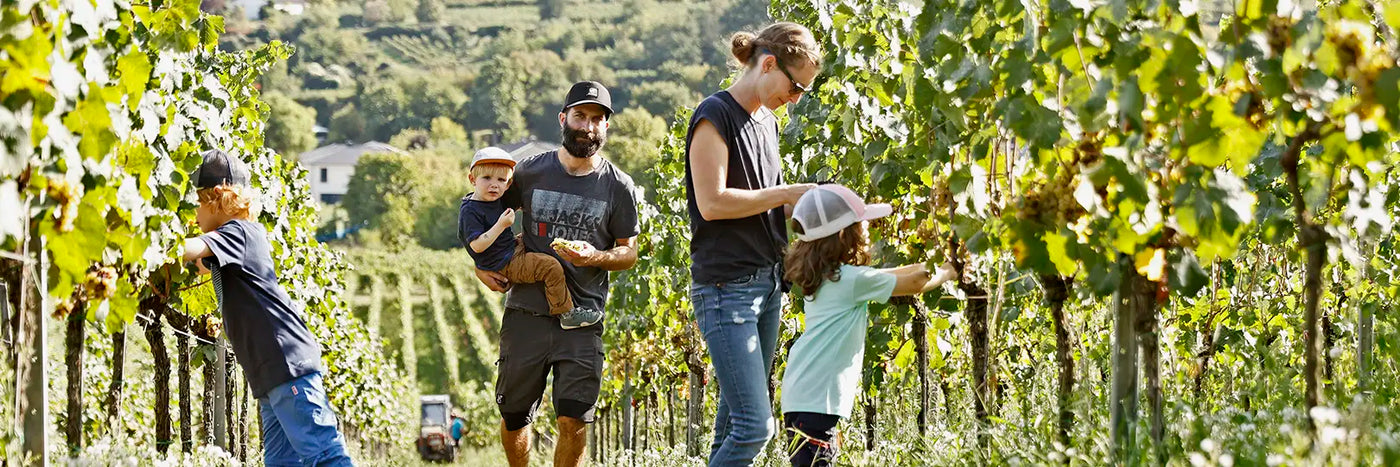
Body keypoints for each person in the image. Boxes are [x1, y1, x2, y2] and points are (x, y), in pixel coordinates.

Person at [472, 81, 641, 467]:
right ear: (563, 118)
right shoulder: (530, 172)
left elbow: (628, 251)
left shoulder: (618, 187)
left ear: (606, 127)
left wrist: (596, 256)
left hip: (582, 320)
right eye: (580, 116)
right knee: (514, 416)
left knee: (574, 419)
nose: (588, 126)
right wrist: (481, 266)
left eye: (597, 119)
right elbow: (484, 214)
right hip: (526, 314)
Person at [684, 22, 821, 466]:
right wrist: (785, 193)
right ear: (767, 64)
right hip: (727, 290)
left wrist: (823, 204)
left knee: (731, 425)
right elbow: (712, 202)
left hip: (767, 285)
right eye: (796, 85)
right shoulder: (714, 115)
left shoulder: (767, 123)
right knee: (754, 427)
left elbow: (765, 205)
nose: (797, 98)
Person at [181, 150, 354, 467]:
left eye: (196, 202)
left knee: (324, 454)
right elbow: (200, 265)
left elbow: (191, 249)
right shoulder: (232, 243)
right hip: (269, 372)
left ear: (216, 196)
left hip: (286, 364)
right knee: (281, 462)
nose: (193, 214)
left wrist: (150, 238)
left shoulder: (240, 233)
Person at [778, 185, 957, 466]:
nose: (867, 231)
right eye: (861, 225)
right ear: (841, 234)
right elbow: (915, 283)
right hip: (816, 401)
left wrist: (936, 261)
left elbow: (892, 274)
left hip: (804, 397)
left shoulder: (829, 277)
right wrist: (949, 268)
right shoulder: (849, 281)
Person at [458, 146, 602, 329]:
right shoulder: (471, 210)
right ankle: (566, 313)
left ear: (508, 184)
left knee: (540, 238)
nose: (494, 184)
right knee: (550, 267)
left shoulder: (493, 199)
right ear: (472, 179)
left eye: (501, 180)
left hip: (509, 249)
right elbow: (477, 246)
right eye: (486, 178)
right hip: (504, 262)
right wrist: (501, 225)